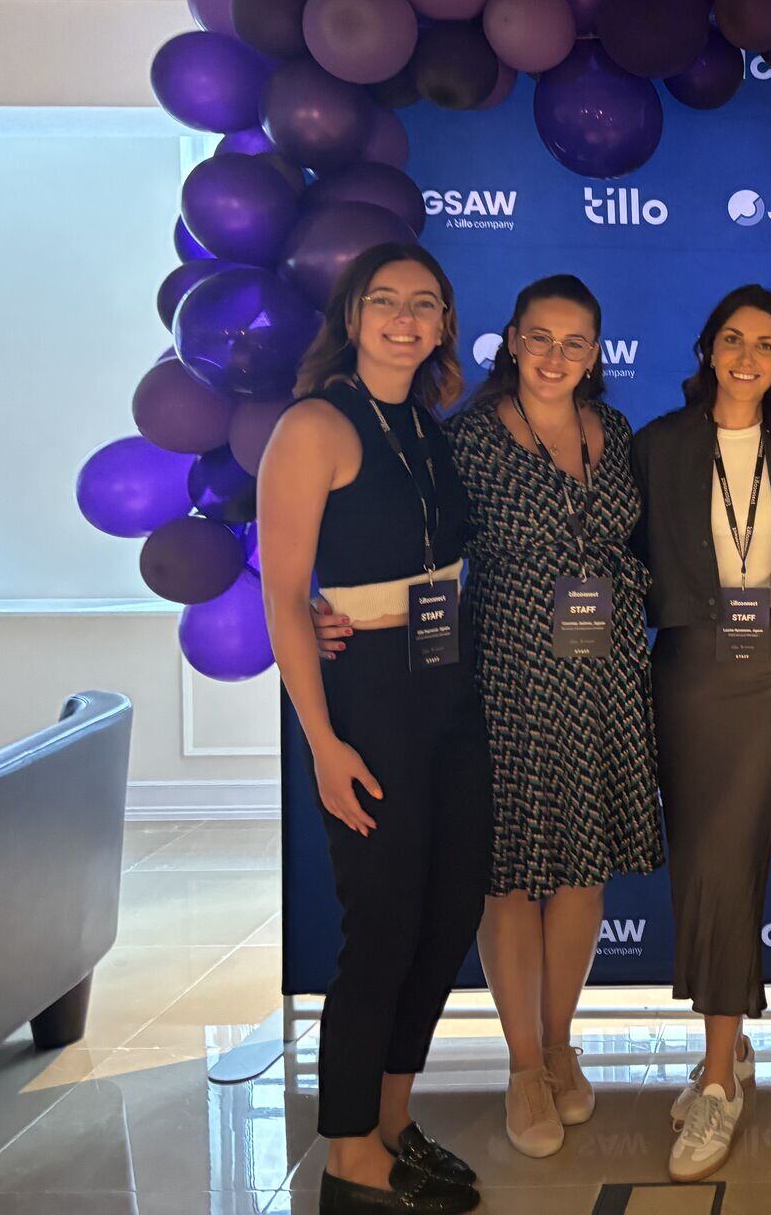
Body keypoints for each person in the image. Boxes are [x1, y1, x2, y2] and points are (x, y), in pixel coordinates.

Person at [314, 275, 662, 1163]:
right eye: (538, 338)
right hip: (501, 670)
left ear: (597, 353)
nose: (555, 357)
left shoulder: (614, 432)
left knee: (584, 863)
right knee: (509, 869)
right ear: (509, 341)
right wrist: (325, 603)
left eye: (575, 342)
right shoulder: (462, 437)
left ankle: (558, 1045)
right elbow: (386, 533)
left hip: (605, 669)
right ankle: (519, 1066)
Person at [259, 244, 486, 1215]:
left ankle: (395, 1121)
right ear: (352, 317)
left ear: (441, 325)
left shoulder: (426, 428)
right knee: (381, 925)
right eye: (383, 301)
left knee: (442, 922)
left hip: (447, 686)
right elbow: (281, 594)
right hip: (369, 702)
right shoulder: (316, 425)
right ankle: (348, 1157)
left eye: (422, 304)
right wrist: (323, 741)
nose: (403, 317)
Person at [631, 286, 771, 1182]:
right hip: (686, 671)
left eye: (766, 343)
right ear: (709, 349)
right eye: (732, 339)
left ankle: (718, 1079)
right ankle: (733, 1045)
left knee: (725, 855)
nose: (748, 355)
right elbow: (611, 549)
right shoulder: (660, 445)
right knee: (702, 861)